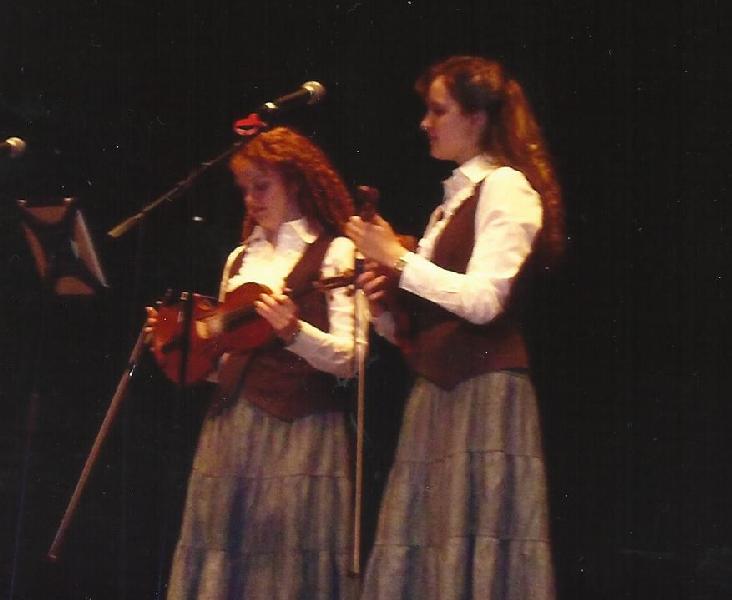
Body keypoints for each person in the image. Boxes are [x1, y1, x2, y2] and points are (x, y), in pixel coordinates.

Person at [345, 56, 564, 599]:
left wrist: (398, 260)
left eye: (438, 110)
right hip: (437, 395)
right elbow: (416, 326)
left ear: (478, 118)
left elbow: (486, 300)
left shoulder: (507, 187)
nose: (425, 122)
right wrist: (384, 308)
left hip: (485, 394)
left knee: (476, 550)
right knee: (426, 548)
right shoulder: (451, 205)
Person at [148, 126, 358, 599]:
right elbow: (227, 362)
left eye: (261, 186)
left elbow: (352, 360)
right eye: (243, 189)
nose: (250, 199)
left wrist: (294, 333)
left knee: (285, 567)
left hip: (299, 430)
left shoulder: (336, 251)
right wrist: (178, 347)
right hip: (230, 430)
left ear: (297, 183)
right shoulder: (239, 259)